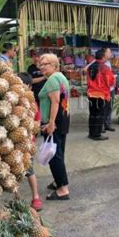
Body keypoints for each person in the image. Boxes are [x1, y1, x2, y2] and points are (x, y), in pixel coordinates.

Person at [38, 53, 71, 200]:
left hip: (55, 122)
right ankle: (59, 181)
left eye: (45, 64)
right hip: (63, 120)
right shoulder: (61, 77)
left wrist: (51, 123)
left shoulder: (52, 80)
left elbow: (55, 102)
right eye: (41, 64)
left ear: (54, 65)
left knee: (54, 156)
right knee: (59, 153)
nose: (41, 66)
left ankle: (63, 189)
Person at [17, 72, 43, 211]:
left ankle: (36, 197)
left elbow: (37, 122)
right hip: (14, 143)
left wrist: (32, 136)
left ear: (30, 87)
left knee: (29, 170)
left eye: (24, 86)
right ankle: (17, 199)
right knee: (14, 172)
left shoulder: (32, 103)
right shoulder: (13, 100)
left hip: (27, 143)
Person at [87, 48, 115, 141]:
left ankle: (91, 133)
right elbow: (110, 81)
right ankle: (97, 134)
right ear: (103, 57)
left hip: (91, 94)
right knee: (99, 115)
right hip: (101, 94)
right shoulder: (104, 67)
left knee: (92, 114)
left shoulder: (90, 66)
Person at [103, 48, 116, 132]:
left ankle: (107, 124)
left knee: (109, 107)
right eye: (109, 52)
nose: (110, 53)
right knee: (104, 107)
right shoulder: (100, 63)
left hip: (111, 88)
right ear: (104, 53)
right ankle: (101, 126)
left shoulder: (108, 63)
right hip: (105, 89)